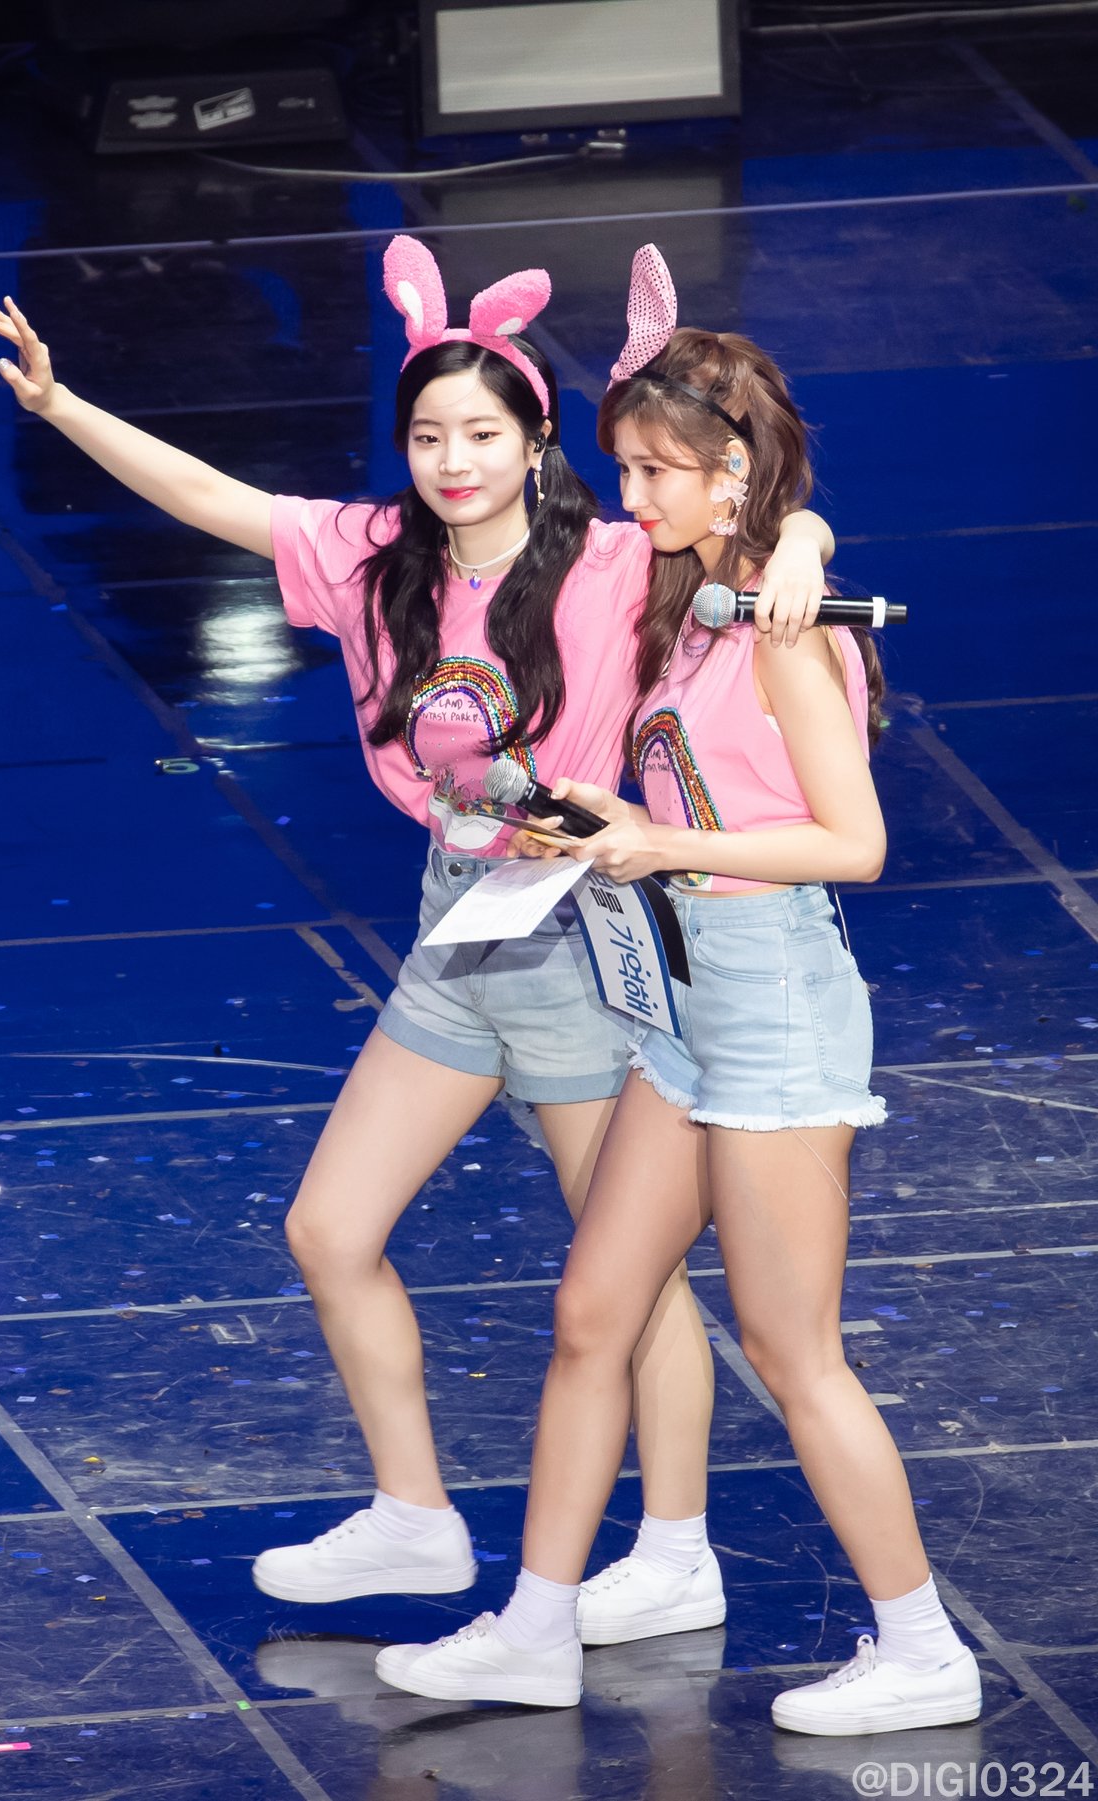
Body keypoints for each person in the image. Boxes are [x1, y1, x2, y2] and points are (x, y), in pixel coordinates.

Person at [0, 242, 833, 1640]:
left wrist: (800, 542)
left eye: (482, 434)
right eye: (429, 435)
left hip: (579, 937)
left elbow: (771, 529)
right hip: (457, 929)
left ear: (535, 440)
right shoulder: (373, 557)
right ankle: (415, 1519)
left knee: (621, 1276)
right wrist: (61, 405)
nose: (453, 461)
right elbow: (215, 500)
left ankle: (678, 1549)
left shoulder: (617, 560)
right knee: (330, 1228)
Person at [375, 246, 982, 1736]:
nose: (629, 497)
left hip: (771, 1005)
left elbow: (854, 845)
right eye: (628, 467)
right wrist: (604, 822)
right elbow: (688, 770)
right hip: (680, 1007)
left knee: (789, 1348)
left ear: (731, 476)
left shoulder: (789, 635)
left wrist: (662, 843)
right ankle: (534, 1628)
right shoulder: (684, 598)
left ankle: (923, 1647)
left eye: (656, 472)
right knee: (595, 1306)